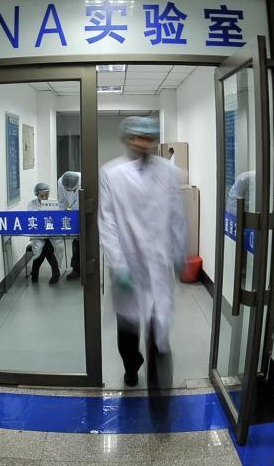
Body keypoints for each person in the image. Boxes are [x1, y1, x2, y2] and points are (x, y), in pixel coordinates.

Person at [98, 117, 187, 388]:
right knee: (128, 330)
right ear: (126, 139)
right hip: (127, 263)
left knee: (157, 324)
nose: (141, 143)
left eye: (147, 138)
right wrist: (118, 264)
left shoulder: (169, 172)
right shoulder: (111, 173)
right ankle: (131, 364)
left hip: (158, 264)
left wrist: (179, 249)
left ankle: (158, 378)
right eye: (135, 137)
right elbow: (107, 221)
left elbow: (177, 216)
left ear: (154, 141)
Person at [27, 182, 62, 285]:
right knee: (45, 249)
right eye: (42, 196)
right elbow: (32, 219)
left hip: (52, 233)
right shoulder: (31, 204)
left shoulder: (53, 203)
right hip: (38, 234)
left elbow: (58, 218)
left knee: (47, 249)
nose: (44, 198)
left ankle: (35, 274)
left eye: (46, 195)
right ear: (37, 195)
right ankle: (55, 273)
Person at [57, 171, 82, 280]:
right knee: (76, 241)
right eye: (67, 190)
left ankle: (87, 269)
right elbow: (62, 201)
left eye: (71, 190)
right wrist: (62, 219)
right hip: (73, 214)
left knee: (87, 243)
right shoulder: (61, 182)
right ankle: (76, 269)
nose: (69, 191)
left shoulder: (84, 179)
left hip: (87, 212)